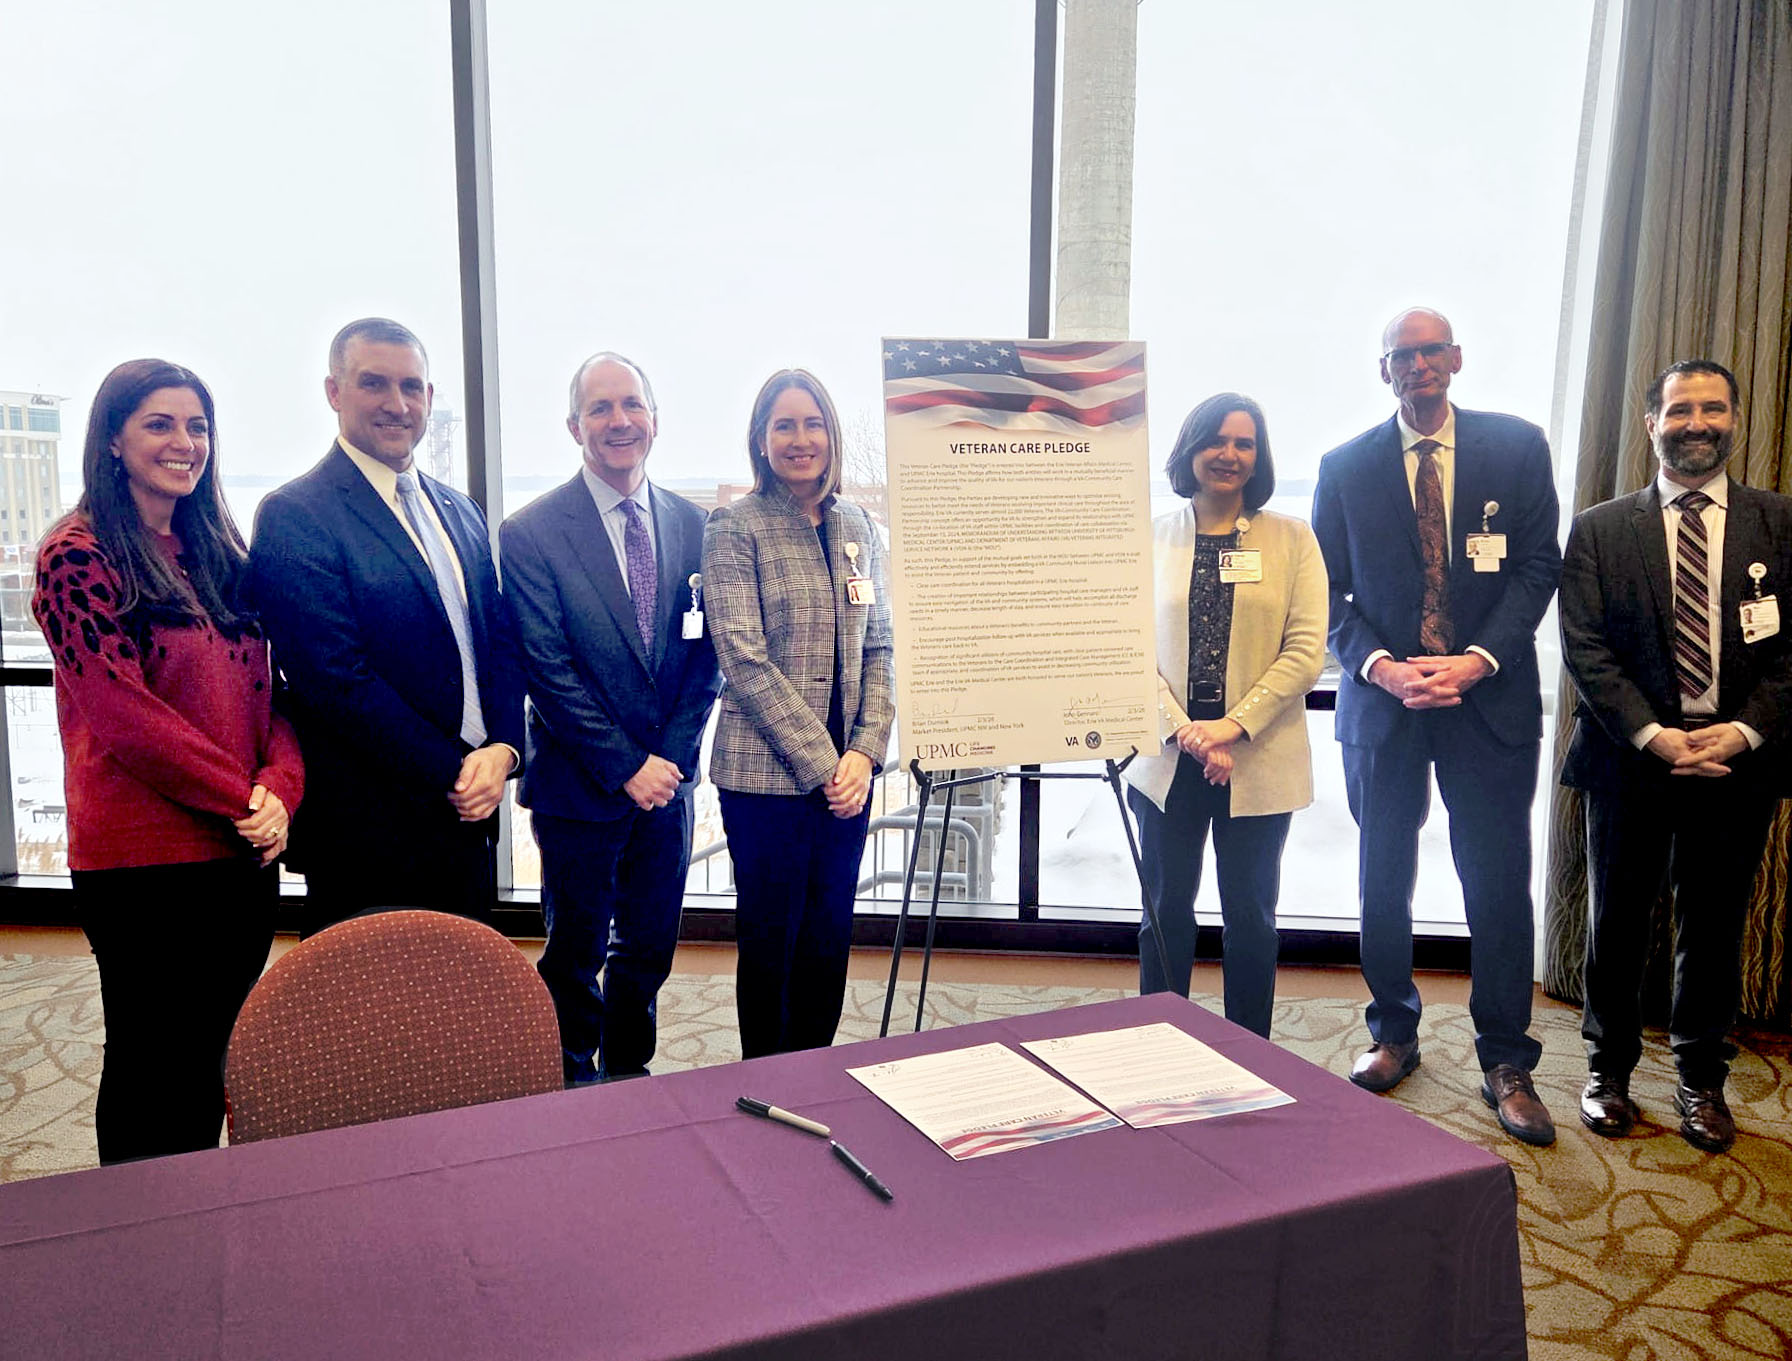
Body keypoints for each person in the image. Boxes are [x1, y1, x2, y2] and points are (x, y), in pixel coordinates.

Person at [33, 359, 303, 1163]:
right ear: (113, 438)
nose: (184, 443)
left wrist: (280, 788)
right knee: (153, 1066)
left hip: (240, 853)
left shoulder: (217, 549)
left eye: (197, 426)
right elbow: (126, 718)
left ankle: (198, 1219)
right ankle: (141, 1238)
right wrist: (242, 795)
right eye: (159, 424)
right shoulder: (76, 555)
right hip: (142, 866)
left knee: (215, 1056)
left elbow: (271, 690)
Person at [1311, 307, 1562, 1146]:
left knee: (1495, 880)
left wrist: (1479, 657)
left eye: (1431, 351)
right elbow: (1327, 594)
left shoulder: (1516, 447)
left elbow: (1535, 567)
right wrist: (1381, 667)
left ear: (1456, 357)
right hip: (1385, 706)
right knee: (1383, 876)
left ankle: (1507, 1058)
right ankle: (1393, 1033)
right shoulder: (1343, 468)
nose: (1419, 365)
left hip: (1486, 701)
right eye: (1401, 355)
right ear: (1383, 371)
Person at [1560, 360, 1792, 1153]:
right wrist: (1653, 735)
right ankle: (1608, 1069)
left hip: (1736, 764)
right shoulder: (1598, 527)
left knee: (1715, 925)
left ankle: (1700, 1078)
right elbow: (1585, 648)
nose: (1698, 422)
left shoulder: (1781, 523)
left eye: (1714, 408)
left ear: (1736, 418)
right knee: (1615, 922)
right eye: (1681, 408)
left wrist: (1742, 731)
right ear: (1651, 422)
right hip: (1629, 762)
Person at [248, 318, 524, 935]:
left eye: (412, 387)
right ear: (333, 392)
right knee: (366, 1020)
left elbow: (499, 643)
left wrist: (504, 751)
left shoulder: (460, 510)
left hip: (469, 814)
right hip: (370, 829)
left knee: (461, 1008)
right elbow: (334, 679)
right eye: (374, 383)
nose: (397, 404)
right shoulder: (296, 514)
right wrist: (458, 768)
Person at [499, 353, 722, 1085]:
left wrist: (671, 762)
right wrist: (627, 764)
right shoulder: (531, 532)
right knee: (575, 953)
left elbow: (706, 661)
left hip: (668, 789)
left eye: (632, 405)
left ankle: (630, 1072)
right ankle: (572, 1085)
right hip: (580, 790)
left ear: (655, 420)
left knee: (651, 946)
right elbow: (546, 667)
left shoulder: (697, 526)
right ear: (574, 426)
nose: (618, 421)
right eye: (600, 408)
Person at [702, 369, 895, 1058]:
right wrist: (826, 764)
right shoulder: (735, 526)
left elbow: (881, 644)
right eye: (783, 425)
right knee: (771, 945)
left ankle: (814, 1073)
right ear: (761, 440)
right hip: (767, 781)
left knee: (827, 938)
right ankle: (767, 1085)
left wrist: (865, 752)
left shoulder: (857, 526)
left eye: (812, 423)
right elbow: (742, 658)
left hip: (850, 780)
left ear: (831, 435)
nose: (800, 439)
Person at [1123, 393, 1326, 1038]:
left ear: (1258, 457)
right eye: (1216, 440)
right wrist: (1188, 729)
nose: (1229, 455)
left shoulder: (1292, 538)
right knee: (1164, 910)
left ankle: (1249, 1049)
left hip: (1257, 754)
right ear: (1191, 450)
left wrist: (1231, 727)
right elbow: (1127, 646)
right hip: (1168, 756)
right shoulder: (1149, 536)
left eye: (1244, 443)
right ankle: (1161, 1044)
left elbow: (1306, 650)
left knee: (1252, 915)